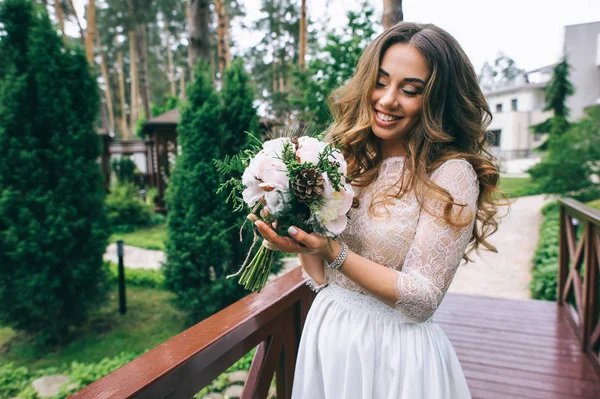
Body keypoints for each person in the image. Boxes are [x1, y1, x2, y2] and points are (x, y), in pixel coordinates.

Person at [254, 22, 502, 399]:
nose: (387, 100)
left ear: (437, 99)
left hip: (393, 357)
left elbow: (422, 299)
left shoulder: (450, 174)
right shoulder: (349, 157)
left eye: (410, 90)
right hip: (331, 334)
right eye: (381, 82)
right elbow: (323, 280)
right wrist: (299, 235)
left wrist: (331, 250)